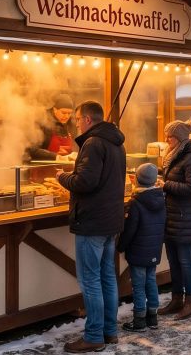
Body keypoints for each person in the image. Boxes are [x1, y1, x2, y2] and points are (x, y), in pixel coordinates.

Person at [56, 101, 127, 353]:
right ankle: (109, 331)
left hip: (92, 221)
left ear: (87, 119)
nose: (76, 123)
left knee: (90, 280)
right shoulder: (116, 142)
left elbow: (85, 182)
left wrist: (62, 177)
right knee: (107, 277)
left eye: (77, 119)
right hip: (110, 220)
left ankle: (94, 335)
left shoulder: (93, 143)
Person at [157, 119, 191, 320]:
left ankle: (190, 303)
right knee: (174, 261)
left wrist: (165, 185)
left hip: (185, 217)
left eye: (171, 136)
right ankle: (177, 299)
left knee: (186, 261)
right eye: (166, 136)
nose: (167, 139)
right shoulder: (172, 155)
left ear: (180, 137)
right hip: (171, 215)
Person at [118, 163, 165, 333]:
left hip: (138, 251)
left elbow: (130, 229)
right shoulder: (161, 200)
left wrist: (121, 246)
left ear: (137, 180)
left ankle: (139, 320)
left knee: (138, 285)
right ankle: (152, 317)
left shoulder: (136, 202)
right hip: (154, 250)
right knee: (151, 281)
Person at [28, 94, 77, 161]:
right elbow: (32, 150)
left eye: (69, 113)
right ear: (55, 110)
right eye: (63, 113)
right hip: (44, 165)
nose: (66, 116)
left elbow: (75, 146)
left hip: (66, 165)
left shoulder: (71, 125)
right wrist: (56, 157)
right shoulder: (43, 122)